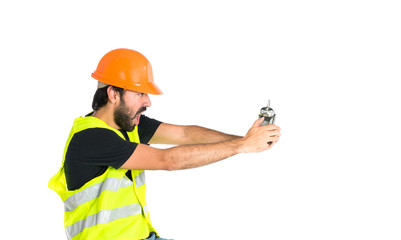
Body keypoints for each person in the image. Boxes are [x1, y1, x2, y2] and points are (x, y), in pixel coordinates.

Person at [49, 48, 281, 240]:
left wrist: (244, 139)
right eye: (140, 93)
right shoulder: (91, 139)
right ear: (113, 94)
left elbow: (184, 135)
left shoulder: (128, 125)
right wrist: (241, 147)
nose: (148, 101)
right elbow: (168, 160)